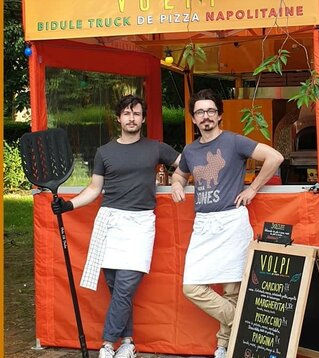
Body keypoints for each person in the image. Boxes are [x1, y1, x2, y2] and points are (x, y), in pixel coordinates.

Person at [51, 95, 181, 358]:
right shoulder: (104, 152)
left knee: (124, 287)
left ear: (143, 118)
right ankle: (129, 343)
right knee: (116, 287)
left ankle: (108, 344)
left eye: (136, 113)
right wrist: (69, 205)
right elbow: (94, 188)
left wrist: (178, 180)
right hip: (110, 222)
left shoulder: (156, 148)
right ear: (118, 118)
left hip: (141, 224)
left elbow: (185, 164)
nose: (131, 118)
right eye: (126, 113)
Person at [170, 89, 284, 358]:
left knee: (233, 289)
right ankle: (246, 322)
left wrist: (253, 188)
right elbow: (179, 173)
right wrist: (176, 184)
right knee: (191, 286)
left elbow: (275, 157)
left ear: (219, 115)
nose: (206, 116)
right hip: (204, 224)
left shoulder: (233, 142)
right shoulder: (190, 149)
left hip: (232, 221)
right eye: (200, 112)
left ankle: (223, 347)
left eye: (210, 111)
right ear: (194, 119)